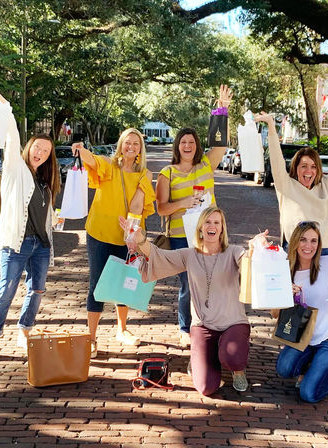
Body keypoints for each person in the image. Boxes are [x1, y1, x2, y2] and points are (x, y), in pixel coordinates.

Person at [254, 113, 328, 330]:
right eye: (303, 166)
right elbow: (276, 159)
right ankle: (296, 341)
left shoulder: (324, 188)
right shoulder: (286, 186)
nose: (308, 171)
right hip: (294, 252)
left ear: (317, 170)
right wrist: (271, 126)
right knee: (293, 302)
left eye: (312, 166)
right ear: (295, 169)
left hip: (322, 252)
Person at [121, 206, 254, 395]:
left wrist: (256, 249)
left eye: (217, 222)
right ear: (200, 227)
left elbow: (247, 261)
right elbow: (160, 256)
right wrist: (139, 238)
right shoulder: (189, 255)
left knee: (231, 357)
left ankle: (237, 369)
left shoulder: (234, 252)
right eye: (208, 222)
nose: (212, 226)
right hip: (203, 325)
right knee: (206, 387)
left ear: (222, 229)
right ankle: (205, 355)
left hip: (233, 323)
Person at [0, 94, 61, 364]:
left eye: (45, 152)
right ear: (29, 147)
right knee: (6, 292)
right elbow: (11, 134)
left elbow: (41, 215)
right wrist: (6, 106)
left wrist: (54, 221)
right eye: (37, 148)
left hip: (41, 246)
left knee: (37, 291)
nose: (40, 153)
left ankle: (25, 331)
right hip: (17, 244)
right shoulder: (14, 168)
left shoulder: (45, 182)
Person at [156, 85, 233, 347]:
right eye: (183, 141)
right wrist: (184, 202)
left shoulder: (206, 165)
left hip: (209, 236)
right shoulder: (168, 173)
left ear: (197, 145)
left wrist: (223, 110)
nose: (187, 145)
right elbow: (161, 209)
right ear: (177, 146)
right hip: (180, 236)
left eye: (192, 141)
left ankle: (212, 324)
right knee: (188, 285)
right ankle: (185, 327)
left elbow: (221, 143)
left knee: (215, 281)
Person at [72, 129, 155, 357]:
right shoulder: (109, 165)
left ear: (140, 148)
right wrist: (81, 150)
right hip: (99, 234)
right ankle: (91, 338)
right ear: (121, 145)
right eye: (127, 142)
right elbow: (93, 161)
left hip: (126, 237)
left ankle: (122, 329)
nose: (131, 146)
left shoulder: (144, 174)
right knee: (96, 285)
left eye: (136, 143)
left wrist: (131, 234)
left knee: (123, 283)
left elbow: (137, 205)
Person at [271, 221, 328, 403]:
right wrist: (284, 296)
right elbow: (275, 314)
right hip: (302, 338)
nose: (308, 246)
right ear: (295, 242)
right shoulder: (284, 270)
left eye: (314, 241)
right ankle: (310, 368)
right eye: (303, 240)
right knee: (284, 369)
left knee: (309, 394)